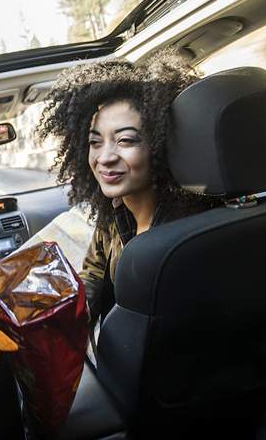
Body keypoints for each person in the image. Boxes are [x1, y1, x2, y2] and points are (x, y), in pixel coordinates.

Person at [36, 50, 220, 326]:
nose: (105, 157)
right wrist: (74, 309)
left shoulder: (186, 236)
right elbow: (96, 270)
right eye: (95, 142)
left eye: (125, 140)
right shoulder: (113, 210)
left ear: (159, 145)